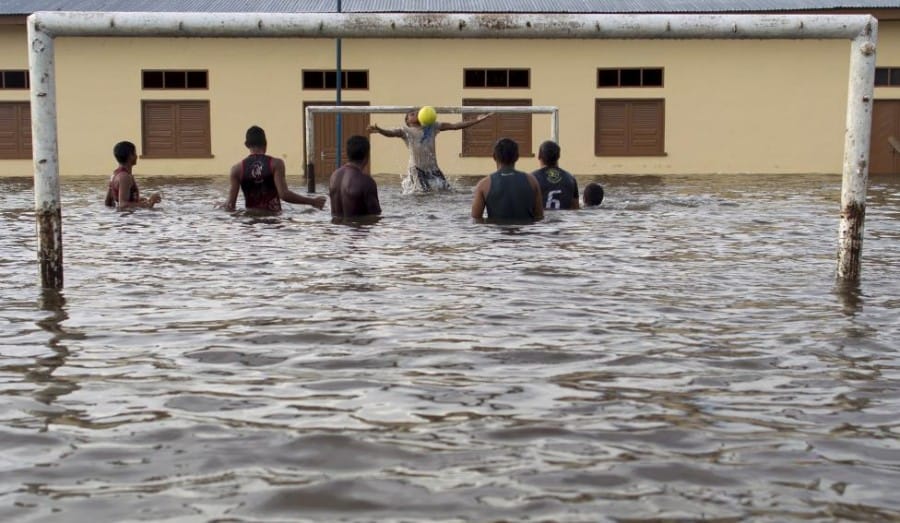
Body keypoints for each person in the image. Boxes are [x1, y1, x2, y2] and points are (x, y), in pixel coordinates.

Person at [367, 109, 493, 193]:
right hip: (417, 169)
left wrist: (477, 120)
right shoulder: (405, 131)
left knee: (448, 191)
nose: (415, 114)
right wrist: (380, 130)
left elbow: (455, 126)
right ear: (407, 121)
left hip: (433, 168)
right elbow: (391, 133)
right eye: (411, 114)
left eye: (417, 112)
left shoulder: (432, 127)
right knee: (423, 194)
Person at [225, 125, 326, 213]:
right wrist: (313, 202)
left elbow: (230, 206)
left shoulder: (236, 169)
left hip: (250, 224)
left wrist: (222, 205)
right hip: (273, 221)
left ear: (246, 145)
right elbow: (284, 195)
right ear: (265, 144)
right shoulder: (275, 164)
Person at [471, 138, 544, 222]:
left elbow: (476, 220)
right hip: (524, 233)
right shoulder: (532, 180)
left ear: (494, 157)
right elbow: (539, 217)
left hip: (496, 234)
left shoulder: (484, 185)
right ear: (517, 157)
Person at [329, 135, 382, 219]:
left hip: (336, 230)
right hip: (357, 230)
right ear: (367, 156)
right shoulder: (366, 181)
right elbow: (375, 215)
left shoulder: (334, 176)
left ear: (347, 154)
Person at [104, 141, 161, 209]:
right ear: (130, 156)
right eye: (135, 153)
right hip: (128, 219)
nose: (136, 156)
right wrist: (150, 203)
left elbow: (108, 202)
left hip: (122, 218)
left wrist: (138, 201)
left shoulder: (115, 175)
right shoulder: (125, 177)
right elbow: (123, 205)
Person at [532, 140, 579, 210]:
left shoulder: (531, 179)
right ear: (558, 157)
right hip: (564, 220)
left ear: (539, 156)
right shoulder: (570, 179)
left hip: (541, 220)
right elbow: (575, 208)